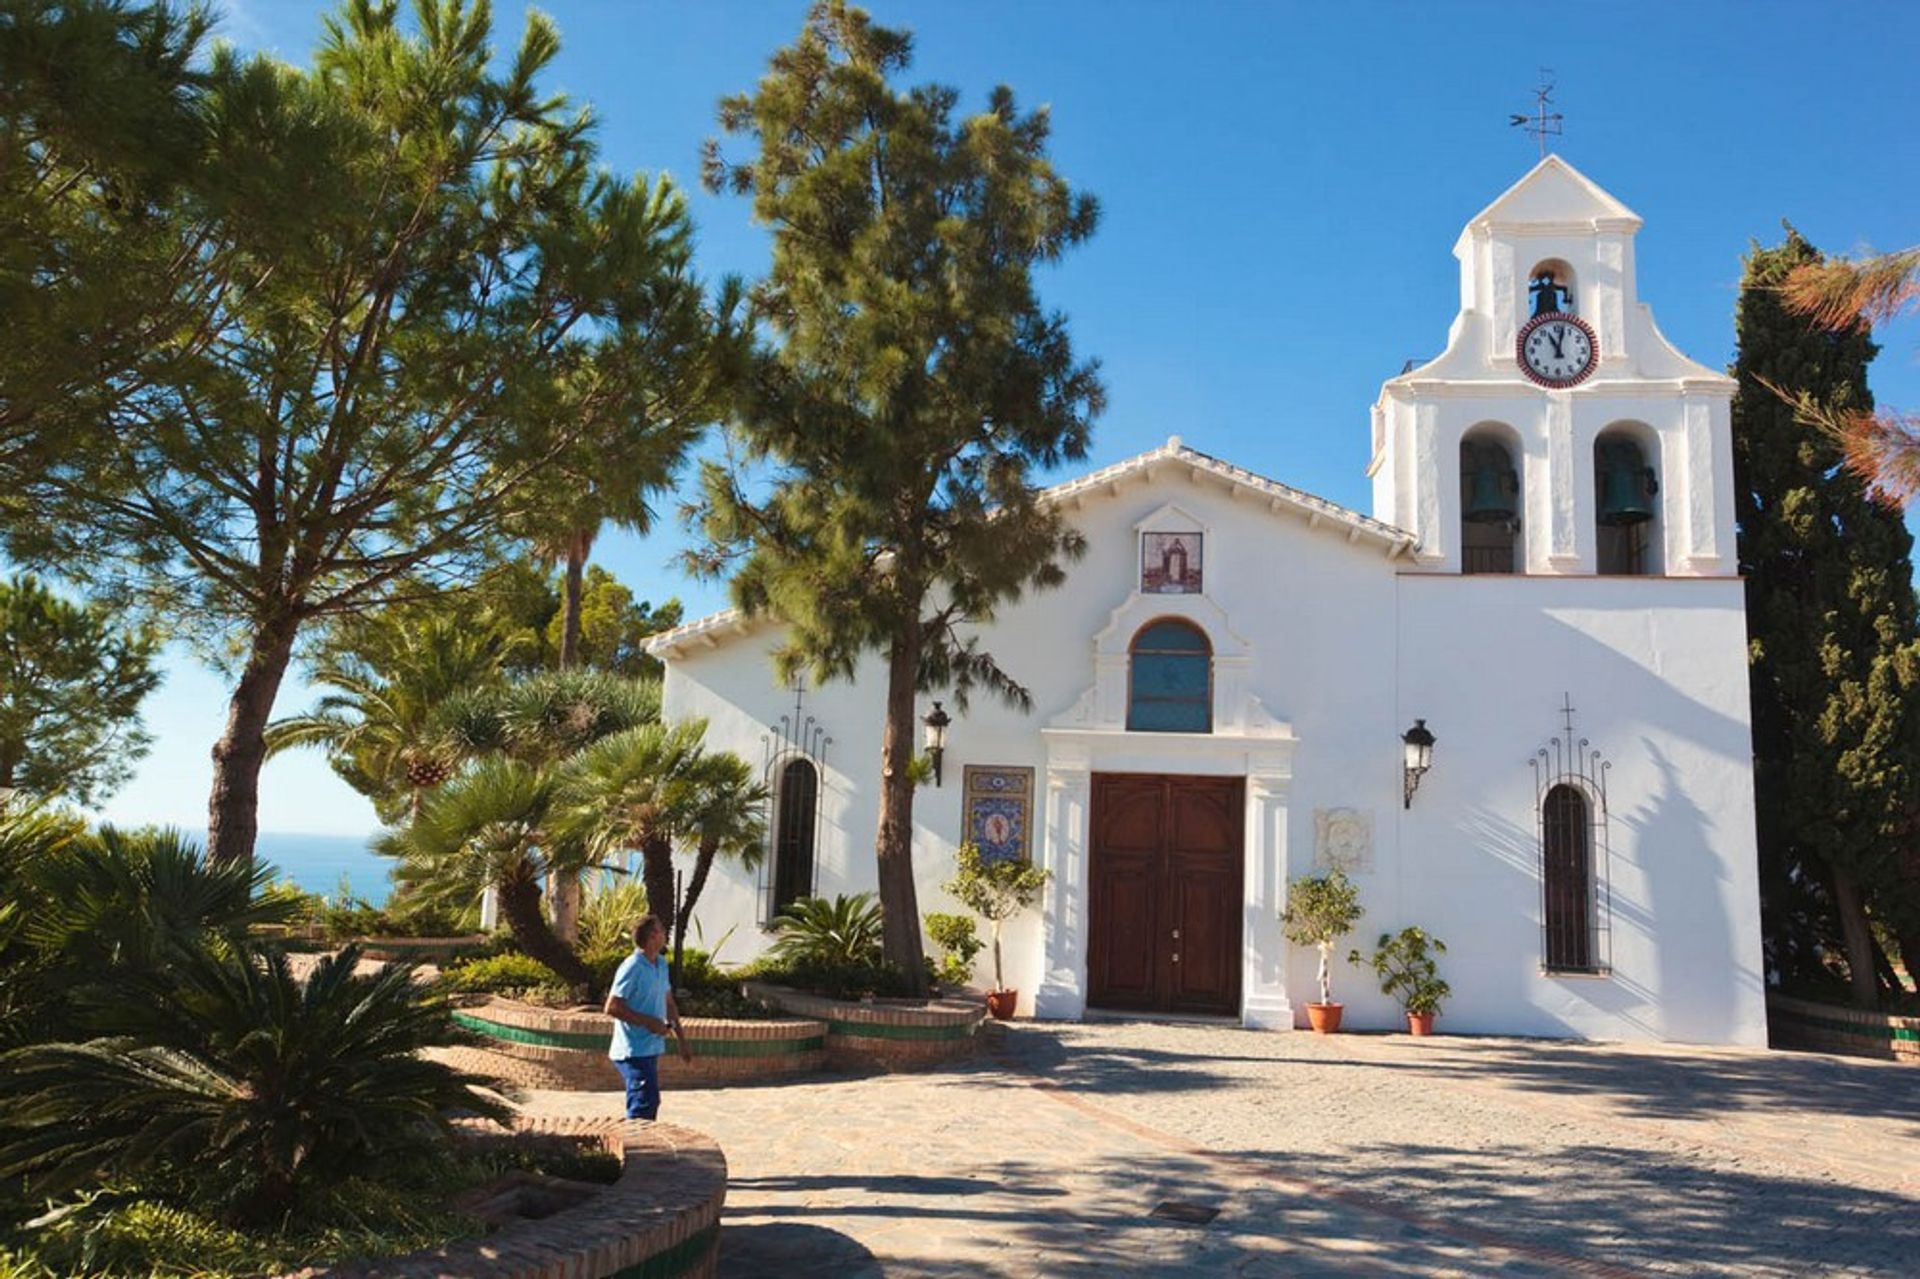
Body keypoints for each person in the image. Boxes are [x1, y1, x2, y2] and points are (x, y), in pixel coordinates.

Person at [603, 914, 691, 1121]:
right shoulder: (632, 966)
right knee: (644, 1102)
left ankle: (641, 1145)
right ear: (652, 936)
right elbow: (612, 1007)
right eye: (661, 929)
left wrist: (682, 1041)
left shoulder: (661, 964)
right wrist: (649, 1022)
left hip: (650, 1048)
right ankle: (637, 1148)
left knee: (649, 1101)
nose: (665, 933)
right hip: (631, 1050)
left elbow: (669, 1003)